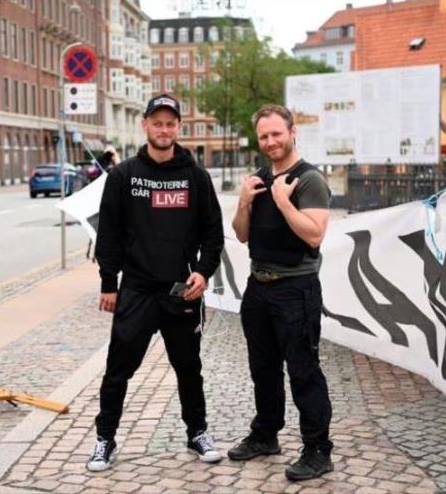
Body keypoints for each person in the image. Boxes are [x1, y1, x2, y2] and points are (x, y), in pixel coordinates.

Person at [88, 94, 225, 472]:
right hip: (135, 289)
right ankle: (104, 439)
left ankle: (197, 432)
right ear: (145, 125)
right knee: (119, 368)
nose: (164, 129)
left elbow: (213, 234)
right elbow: (109, 235)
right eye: (157, 122)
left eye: (170, 123)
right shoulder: (123, 176)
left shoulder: (195, 177)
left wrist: (203, 270)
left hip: (180, 290)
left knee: (188, 368)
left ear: (178, 127)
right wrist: (108, 283)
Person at [228, 104, 334, 481]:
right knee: (263, 369)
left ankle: (318, 450)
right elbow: (241, 234)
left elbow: (315, 234)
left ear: (292, 133)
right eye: (263, 136)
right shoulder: (257, 179)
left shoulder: (309, 180)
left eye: (276, 133)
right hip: (258, 287)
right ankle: (265, 435)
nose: (270, 141)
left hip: (296, 288)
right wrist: (244, 201)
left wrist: (283, 200)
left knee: (304, 371)